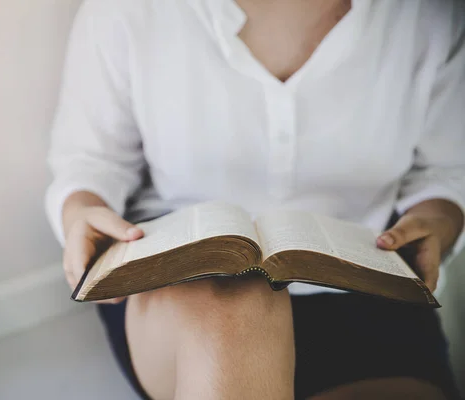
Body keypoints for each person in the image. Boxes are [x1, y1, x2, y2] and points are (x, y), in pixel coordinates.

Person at [45, 0, 465, 398]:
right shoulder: (126, 11)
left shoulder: (433, 18)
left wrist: (441, 218)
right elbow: (92, 161)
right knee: (236, 306)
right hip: (181, 286)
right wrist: (82, 210)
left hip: (363, 285)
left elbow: (448, 170)